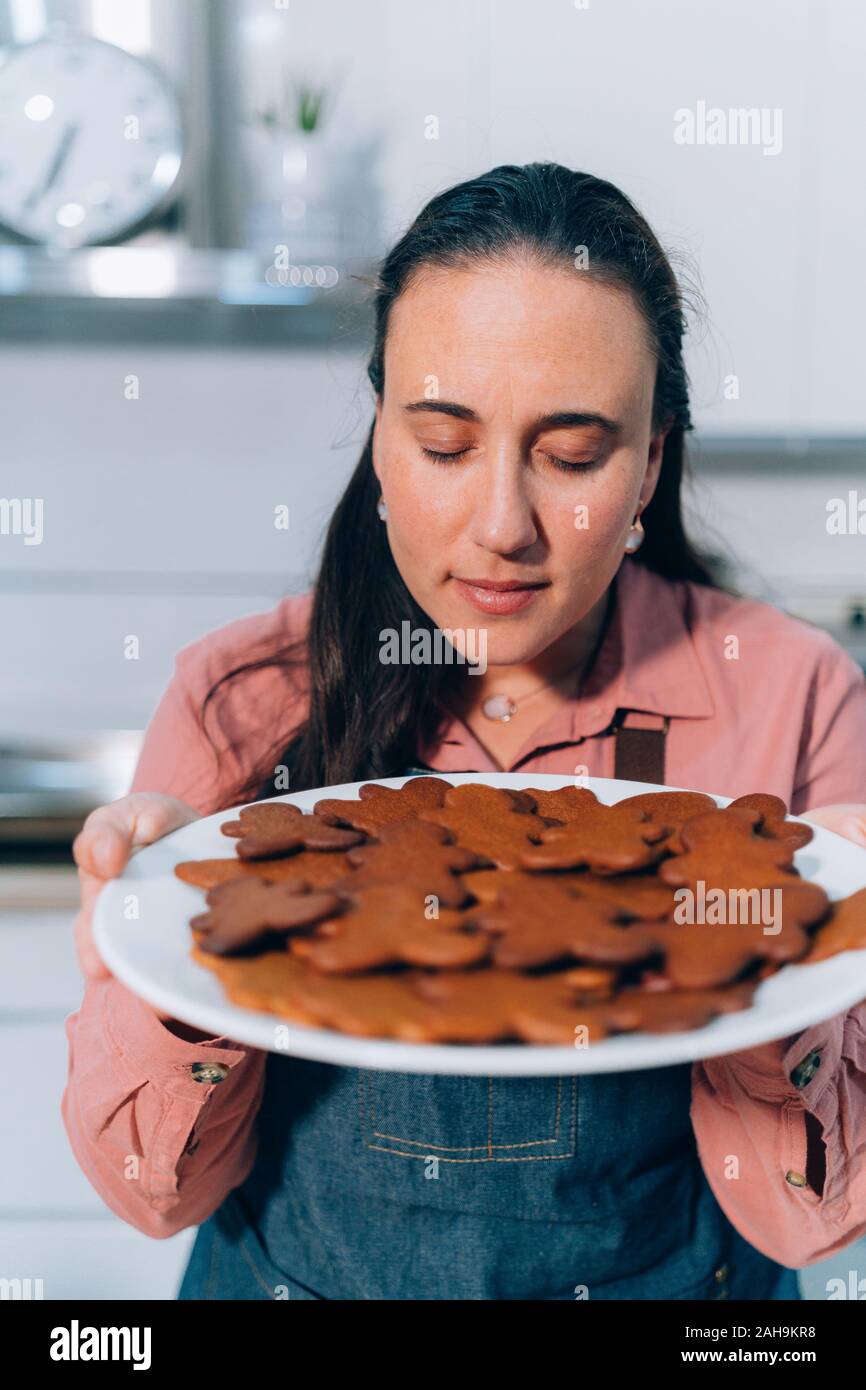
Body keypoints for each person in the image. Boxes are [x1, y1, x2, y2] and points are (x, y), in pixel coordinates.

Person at [64, 163, 866, 1300]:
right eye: (443, 444)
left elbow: (809, 1228)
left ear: (650, 464)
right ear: (381, 440)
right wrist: (175, 965)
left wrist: (790, 969)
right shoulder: (238, 697)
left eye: (574, 455)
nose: (501, 527)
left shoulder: (790, 697)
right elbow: (152, 1197)